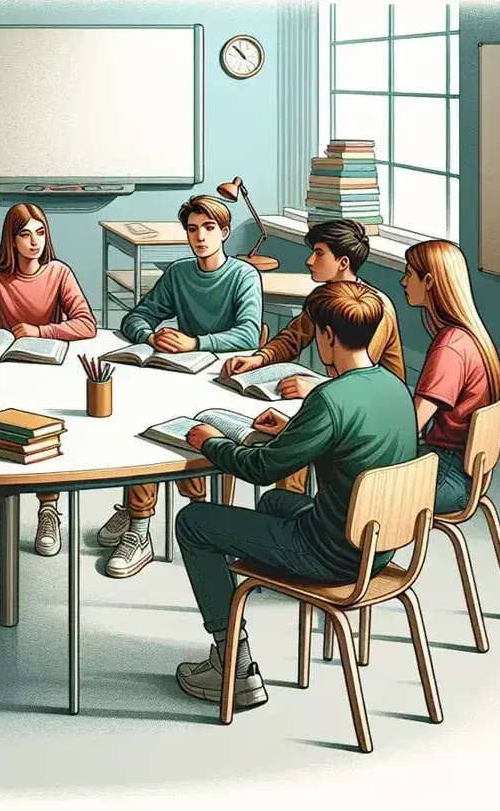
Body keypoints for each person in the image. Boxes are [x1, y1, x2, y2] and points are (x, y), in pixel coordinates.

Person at [173, 281, 417, 710]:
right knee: (273, 506)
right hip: (379, 548)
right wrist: (291, 432)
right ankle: (242, 604)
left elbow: (263, 469)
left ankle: (234, 664)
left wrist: (209, 441)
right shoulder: (394, 387)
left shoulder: (329, 397)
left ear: (326, 335)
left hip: (330, 554)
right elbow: (352, 442)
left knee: (193, 523)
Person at [97, 194, 264, 579]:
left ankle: (177, 514)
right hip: (178, 371)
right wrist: (152, 336)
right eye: (192, 229)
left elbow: (249, 334)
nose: (200, 237)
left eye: (208, 229)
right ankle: (139, 522)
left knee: (185, 426)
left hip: (221, 377)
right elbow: (137, 316)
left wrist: (196, 342)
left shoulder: (243, 276)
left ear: (224, 232)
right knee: (143, 420)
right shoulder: (179, 273)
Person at [221, 218, 405, 496]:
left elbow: (364, 379)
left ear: (343, 262)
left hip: (373, 420)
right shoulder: (325, 297)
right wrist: (259, 359)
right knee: (290, 433)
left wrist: (318, 389)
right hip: (344, 402)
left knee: (294, 442)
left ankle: (291, 517)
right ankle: (288, 509)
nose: (309, 261)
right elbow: (293, 337)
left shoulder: (371, 308)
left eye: (319, 253)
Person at [0, 203, 96, 557]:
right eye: (25, 234)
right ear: (11, 240)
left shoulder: (59, 272)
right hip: (6, 370)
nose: (34, 242)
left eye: (40, 232)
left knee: (43, 435)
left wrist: (40, 330)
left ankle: (48, 509)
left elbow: (86, 323)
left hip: (46, 369)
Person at [400, 239, 500, 514]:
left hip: (449, 475)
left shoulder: (450, 347)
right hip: (463, 469)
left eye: (409, 273)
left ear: (430, 281)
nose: (403, 281)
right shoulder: (472, 337)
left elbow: (413, 424)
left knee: (353, 480)